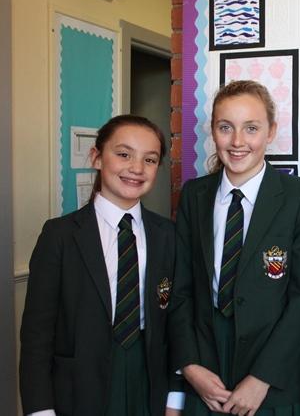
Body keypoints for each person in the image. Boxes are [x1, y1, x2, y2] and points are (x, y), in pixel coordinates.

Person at [169, 80, 300, 416]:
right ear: (213, 130)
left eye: (251, 128)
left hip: (271, 371)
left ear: (271, 132)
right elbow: (180, 289)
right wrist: (190, 366)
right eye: (226, 128)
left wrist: (262, 378)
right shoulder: (194, 196)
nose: (238, 142)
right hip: (206, 370)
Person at [20, 115, 181, 415]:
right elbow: (36, 335)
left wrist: (175, 397)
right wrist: (40, 410)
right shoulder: (60, 235)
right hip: (80, 386)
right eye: (123, 154)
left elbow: (176, 324)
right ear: (96, 157)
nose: (136, 168)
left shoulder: (167, 235)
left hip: (147, 379)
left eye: (149, 159)